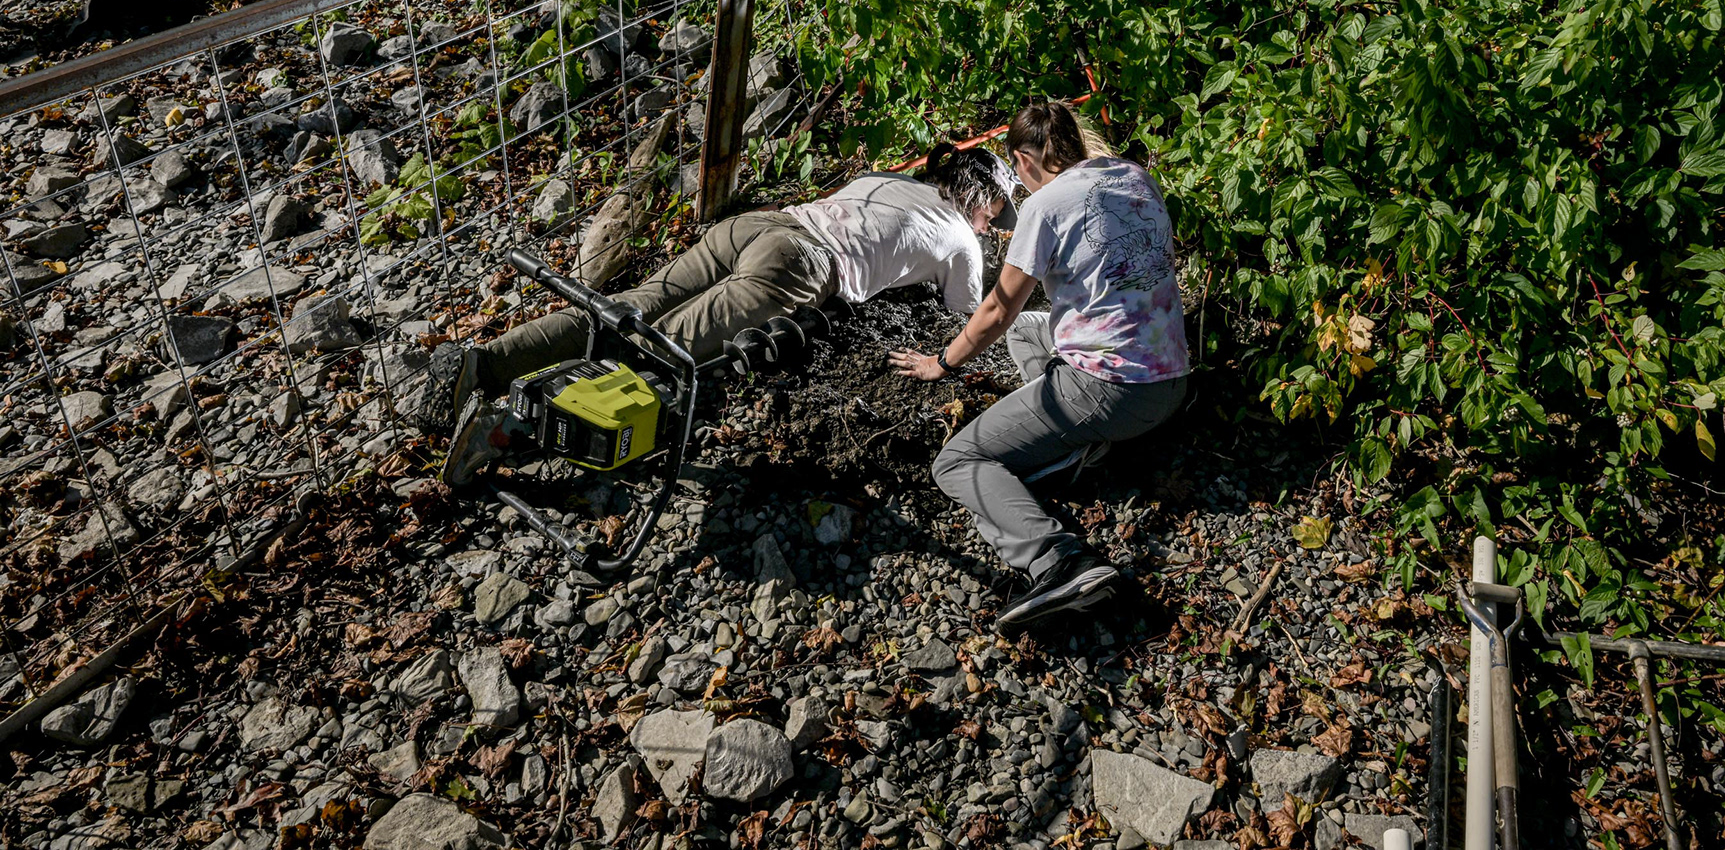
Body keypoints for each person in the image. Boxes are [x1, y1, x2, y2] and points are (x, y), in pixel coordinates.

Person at [427, 143, 1019, 483]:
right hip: (798, 263)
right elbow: (966, 317)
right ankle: (509, 427)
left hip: (756, 225)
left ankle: (481, 366)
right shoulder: (964, 242)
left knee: (623, 310)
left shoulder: (886, 180)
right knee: (657, 351)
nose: (992, 228)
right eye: (994, 216)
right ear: (979, 203)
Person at [891, 103, 1190, 631]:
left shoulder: (1045, 206)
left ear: (1025, 160)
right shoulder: (1134, 175)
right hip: (1170, 378)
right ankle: (1077, 447)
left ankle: (1060, 560)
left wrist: (942, 362)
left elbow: (996, 310)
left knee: (957, 462)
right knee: (1036, 328)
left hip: (1110, 388)